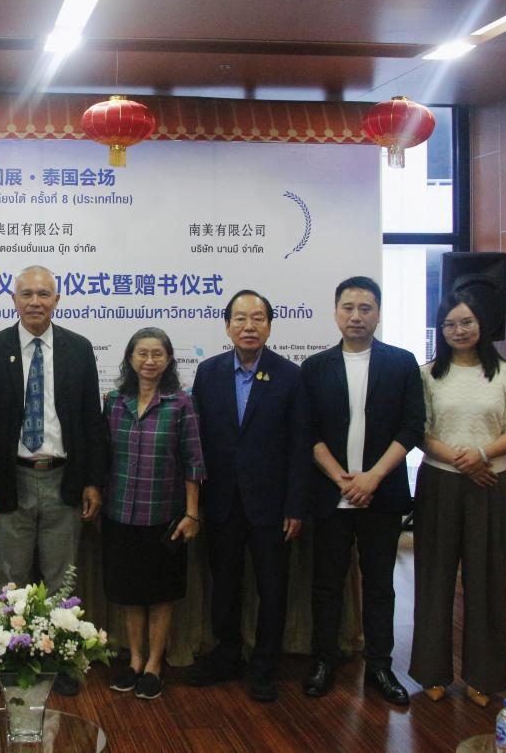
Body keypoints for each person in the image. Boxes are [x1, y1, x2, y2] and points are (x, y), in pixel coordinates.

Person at [0, 265, 106, 696]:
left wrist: (91, 481)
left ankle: (60, 661)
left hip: (63, 478)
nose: (35, 301)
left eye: (43, 294)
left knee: (60, 578)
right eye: (27, 294)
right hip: (11, 477)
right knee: (10, 579)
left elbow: (90, 418)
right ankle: (11, 660)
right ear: (13, 299)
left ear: (57, 299)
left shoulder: (78, 349)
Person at [300, 275, 424, 706]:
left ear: (378, 312)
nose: (356, 316)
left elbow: (412, 426)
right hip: (330, 496)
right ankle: (324, 661)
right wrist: (341, 479)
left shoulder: (402, 362)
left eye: (365, 308)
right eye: (348, 307)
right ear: (336, 312)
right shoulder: (315, 368)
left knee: (379, 585)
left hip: (381, 495)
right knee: (327, 583)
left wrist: (372, 477)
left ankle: (380, 665)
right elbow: (308, 432)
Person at [186, 290, 311, 702]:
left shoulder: (291, 376)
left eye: (257, 318)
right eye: (240, 319)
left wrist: (295, 505)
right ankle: (226, 656)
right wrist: (196, 502)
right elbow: (198, 439)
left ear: (270, 326)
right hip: (221, 501)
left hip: (271, 506)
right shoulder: (208, 372)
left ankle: (264, 665)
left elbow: (299, 446)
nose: (248, 326)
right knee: (224, 583)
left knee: (272, 587)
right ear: (227, 326)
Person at [410, 289, 506, 706]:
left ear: (482, 324)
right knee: (434, 577)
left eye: (466, 322)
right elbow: (419, 430)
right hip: (439, 483)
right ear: (440, 331)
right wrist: (461, 461)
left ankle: (483, 677)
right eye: (450, 324)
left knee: (487, 580)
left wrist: (481, 456)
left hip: (490, 485)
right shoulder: (428, 374)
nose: (458, 330)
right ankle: (431, 673)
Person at [102, 327, 204, 701]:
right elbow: (105, 457)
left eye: (157, 354)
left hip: (165, 516)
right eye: (142, 353)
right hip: (120, 514)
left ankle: (155, 665)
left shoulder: (181, 403)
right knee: (130, 594)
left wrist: (192, 514)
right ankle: (135, 660)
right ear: (130, 358)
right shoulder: (114, 401)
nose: (149, 361)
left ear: (169, 360)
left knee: (161, 594)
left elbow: (194, 462)